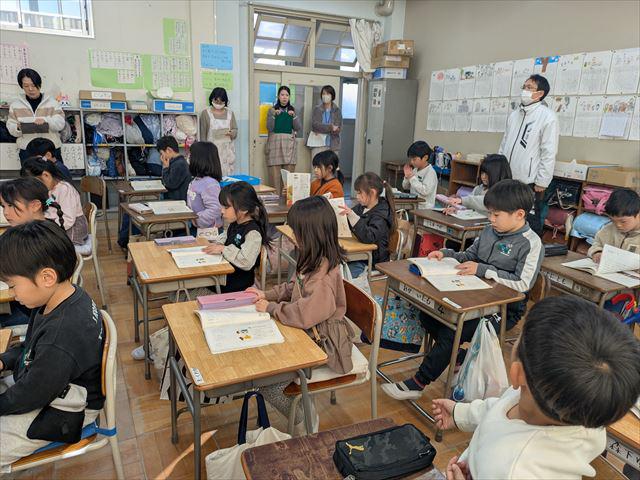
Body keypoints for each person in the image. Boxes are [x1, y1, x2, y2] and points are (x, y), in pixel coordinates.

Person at [433, 296, 640, 480]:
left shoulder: (516, 471)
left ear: (517, 373)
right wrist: (460, 413)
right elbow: (499, 408)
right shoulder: (547, 396)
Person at [382, 180, 543, 400]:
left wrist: (483, 270)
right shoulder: (490, 230)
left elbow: (523, 284)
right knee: (429, 314)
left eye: (496, 215)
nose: (491, 219)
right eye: (490, 213)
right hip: (473, 296)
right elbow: (469, 256)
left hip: (504, 309)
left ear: (519, 214)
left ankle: (418, 382)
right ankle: (458, 357)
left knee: (453, 330)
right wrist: (446, 254)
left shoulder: (530, 243)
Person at [0, 221, 105, 466]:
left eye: (13, 286)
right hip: (48, 382)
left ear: (47, 277)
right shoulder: (61, 297)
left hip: (65, 409)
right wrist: (4, 361)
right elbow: (32, 348)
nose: (12, 294)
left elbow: (31, 394)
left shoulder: (61, 335)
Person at [248, 196, 354, 434]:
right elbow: (292, 288)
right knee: (263, 360)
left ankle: (305, 422)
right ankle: (303, 413)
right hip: (309, 332)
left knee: (268, 382)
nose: (292, 236)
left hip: (324, 343)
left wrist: (271, 308)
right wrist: (266, 294)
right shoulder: (313, 258)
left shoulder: (324, 276)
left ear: (311, 234)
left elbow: (305, 314)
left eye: (296, 231)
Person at [0, 178, 66, 327]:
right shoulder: (39, 231)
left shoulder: (38, 242)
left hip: (33, 312)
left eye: (10, 205)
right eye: (3, 206)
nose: (5, 212)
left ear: (35, 205)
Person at [498, 74, 559, 236]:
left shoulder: (548, 117)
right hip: (507, 178)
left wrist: (542, 181)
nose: (524, 90)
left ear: (540, 93)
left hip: (529, 181)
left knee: (526, 222)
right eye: (524, 87)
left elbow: (549, 151)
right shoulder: (514, 115)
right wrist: (498, 168)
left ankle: (529, 249)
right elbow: (504, 144)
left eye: (529, 87)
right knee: (505, 217)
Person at [203, 181, 272, 293]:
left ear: (243, 209)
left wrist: (223, 249)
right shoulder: (235, 223)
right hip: (224, 276)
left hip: (236, 286)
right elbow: (226, 235)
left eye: (226, 207)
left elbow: (246, 262)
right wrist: (219, 244)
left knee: (187, 290)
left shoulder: (253, 233)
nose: (222, 211)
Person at [339, 172, 396, 279]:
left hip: (373, 263)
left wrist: (352, 216)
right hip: (362, 256)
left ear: (372, 193)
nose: (357, 197)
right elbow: (350, 222)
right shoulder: (363, 206)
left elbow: (369, 237)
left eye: (359, 193)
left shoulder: (381, 214)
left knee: (342, 274)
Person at [21, 157, 88, 247]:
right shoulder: (51, 189)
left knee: (40, 245)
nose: (35, 188)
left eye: (35, 184)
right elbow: (49, 203)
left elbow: (68, 220)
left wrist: (47, 228)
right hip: (57, 224)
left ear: (46, 175)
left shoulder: (65, 189)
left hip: (72, 230)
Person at [6, 68, 66, 165]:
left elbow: (60, 124)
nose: (30, 89)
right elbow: (11, 127)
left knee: (55, 174)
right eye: (26, 86)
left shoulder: (52, 103)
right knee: (30, 175)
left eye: (33, 85)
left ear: (39, 84)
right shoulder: (15, 105)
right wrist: (18, 127)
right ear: (22, 86)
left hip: (51, 148)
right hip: (27, 150)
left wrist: (46, 120)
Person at [444, 154, 512, 215]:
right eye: (482, 173)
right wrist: (456, 209)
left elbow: (487, 201)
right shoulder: (479, 189)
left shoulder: (503, 193)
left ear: (498, 174)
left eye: (487, 174)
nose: (483, 177)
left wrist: (462, 200)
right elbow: (469, 205)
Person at [266, 86, 301, 194]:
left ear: (289, 97)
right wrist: (274, 116)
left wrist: (294, 116)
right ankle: (276, 202)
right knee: (275, 179)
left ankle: (287, 202)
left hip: (289, 148)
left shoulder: (293, 110)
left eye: (287, 95)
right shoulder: (272, 110)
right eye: (282, 95)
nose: (284, 97)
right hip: (275, 148)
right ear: (278, 96)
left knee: (288, 181)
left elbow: (298, 127)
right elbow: (269, 127)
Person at [588, 188, 640, 261]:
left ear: (638, 215)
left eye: (623, 221)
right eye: (612, 220)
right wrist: (597, 252)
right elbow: (596, 244)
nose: (618, 225)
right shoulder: (607, 230)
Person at [199, 87, 238, 176]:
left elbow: (235, 130)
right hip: (211, 152)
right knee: (212, 175)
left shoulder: (230, 113)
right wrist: (204, 154)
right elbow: (203, 136)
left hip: (227, 152)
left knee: (227, 176)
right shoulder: (206, 113)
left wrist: (232, 133)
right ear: (212, 99)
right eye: (216, 101)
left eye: (221, 102)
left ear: (225, 101)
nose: (218, 104)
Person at [187, 141, 223, 233]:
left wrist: (197, 220)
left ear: (200, 160)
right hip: (197, 227)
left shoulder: (210, 184)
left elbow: (215, 209)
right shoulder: (196, 180)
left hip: (210, 231)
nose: (188, 158)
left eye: (191, 156)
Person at [310, 85, 342, 160]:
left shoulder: (337, 110)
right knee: (317, 165)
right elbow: (315, 126)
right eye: (323, 94)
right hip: (318, 143)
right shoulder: (317, 109)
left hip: (333, 144)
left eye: (328, 94)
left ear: (332, 96)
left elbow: (338, 128)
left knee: (331, 166)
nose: (325, 96)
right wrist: (330, 127)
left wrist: (324, 128)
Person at [403, 141, 438, 210]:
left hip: (425, 209)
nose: (411, 162)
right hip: (414, 205)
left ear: (425, 157)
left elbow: (425, 191)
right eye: (411, 159)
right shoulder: (415, 170)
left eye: (414, 159)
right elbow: (405, 187)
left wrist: (411, 177)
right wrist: (407, 177)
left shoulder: (430, 172)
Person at [159, 136, 191, 201]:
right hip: (175, 199)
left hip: (177, 201)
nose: (161, 157)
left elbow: (170, 184)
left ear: (168, 150)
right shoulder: (176, 162)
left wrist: (165, 168)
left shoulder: (179, 164)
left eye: (162, 153)